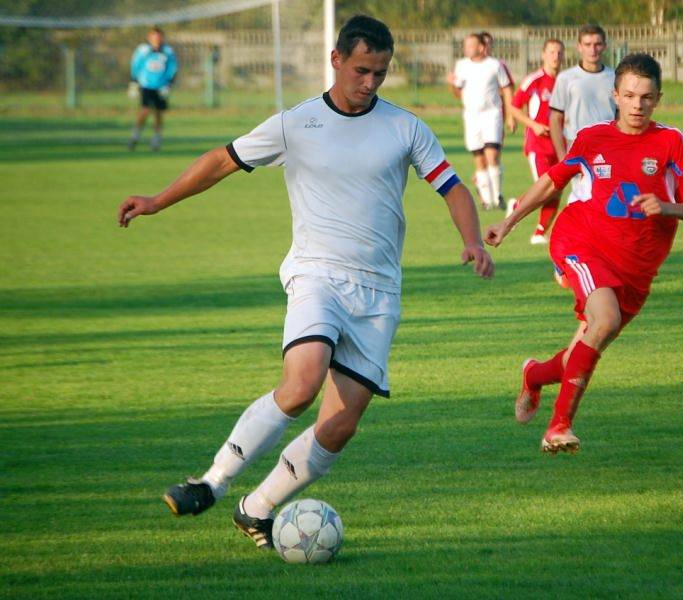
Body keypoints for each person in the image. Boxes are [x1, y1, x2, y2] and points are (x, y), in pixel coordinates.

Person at [117, 15, 494, 549]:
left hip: (379, 293)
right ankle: (213, 481)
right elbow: (221, 162)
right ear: (337, 60)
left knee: (340, 426)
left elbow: (454, 188)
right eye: (362, 70)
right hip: (316, 273)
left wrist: (472, 240)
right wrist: (157, 201)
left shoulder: (405, 127)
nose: (370, 83)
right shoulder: (296, 124)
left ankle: (258, 508)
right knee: (301, 383)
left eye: (381, 73)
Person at [485, 53, 683, 454]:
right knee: (604, 319)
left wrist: (668, 207)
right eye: (629, 95)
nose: (637, 105)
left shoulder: (673, 143)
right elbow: (550, 182)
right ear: (615, 95)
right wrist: (507, 224)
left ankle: (535, 375)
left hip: (636, 271)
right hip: (581, 241)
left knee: (590, 342)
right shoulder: (593, 138)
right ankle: (558, 427)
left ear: (658, 98)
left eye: (646, 97)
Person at [548, 24, 616, 212]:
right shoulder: (566, 78)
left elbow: (622, 116)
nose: (593, 49)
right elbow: (555, 118)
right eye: (587, 44)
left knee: (604, 198)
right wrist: (563, 155)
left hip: (608, 146)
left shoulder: (615, 77)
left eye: (597, 44)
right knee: (582, 196)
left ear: (605, 46)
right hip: (577, 147)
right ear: (579, 46)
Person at [506, 39, 565, 245]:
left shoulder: (566, 81)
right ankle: (518, 210)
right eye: (551, 52)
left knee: (557, 189)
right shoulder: (534, 80)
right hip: (538, 145)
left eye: (559, 52)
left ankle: (539, 233)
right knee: (547, 187)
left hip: (560, 145)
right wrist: (533, 125)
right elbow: (514, 106)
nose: (555, 56)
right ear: (543, 55)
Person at [447, 33, 513, 211]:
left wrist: (510, 115)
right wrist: (452, 84)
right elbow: (457, 92)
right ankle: (487, 201)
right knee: (480, 159)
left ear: (481, 47)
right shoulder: (461, 65)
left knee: (492, 155)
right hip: (471, 117)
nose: (466, 48)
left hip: (491, 115)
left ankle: (497, 196)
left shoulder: (494, 65)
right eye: (465, 45)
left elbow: (506, 88)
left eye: (470, 45)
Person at [128, 27, 178, 151]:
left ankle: (156, 139)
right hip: (146, 85)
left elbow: (173, 67)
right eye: (154, 36)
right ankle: (135, 136)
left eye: (159, 36)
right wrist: (134, 82)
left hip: (161, 86)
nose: (157, 39)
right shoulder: (143, 50)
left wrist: (169, 84)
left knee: (158, 113)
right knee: (145, 110)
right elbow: (136, 65)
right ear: (149, 37)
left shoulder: (167, 51)